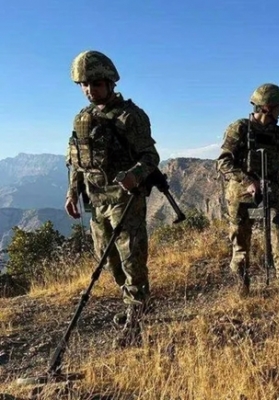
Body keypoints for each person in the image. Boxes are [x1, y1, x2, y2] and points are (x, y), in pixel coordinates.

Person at [65, 50, 160, 347]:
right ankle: (136, 305)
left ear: (110, 82)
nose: (90, 90)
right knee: (109, 260)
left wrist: (135, 174)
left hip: (124, 199)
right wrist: (72, 192)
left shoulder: (130, 116)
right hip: (96, 201)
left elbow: (151, 156)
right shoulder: (82, 119)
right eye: (85, 85)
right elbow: (78, 162)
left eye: (96, 84)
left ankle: (135, 320)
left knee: (132, 260)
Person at [216, 83, 279, 310]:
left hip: (269, 195)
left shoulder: (278, 134)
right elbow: (223, 161)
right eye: (277, 109)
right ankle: (242, 286)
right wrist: (248, 181)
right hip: (240, 197)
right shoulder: (240, 129)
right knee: (240, 244)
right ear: (265, 108)